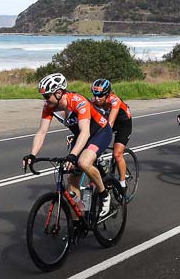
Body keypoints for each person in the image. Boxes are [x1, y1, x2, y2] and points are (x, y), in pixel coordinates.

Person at [23, 73, 113, 218]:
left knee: (83, 162)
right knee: (72, 180)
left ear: (58, 93)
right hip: (81, 136)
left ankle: (104, 195)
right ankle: (78, 219)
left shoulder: (78, 102)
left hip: (100, 132)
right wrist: (32, 155)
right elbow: (41, 132)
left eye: (47, 96)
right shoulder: (50, 106)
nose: (45, 100)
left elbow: (85, 132)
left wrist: (73, 155)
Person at [89, 78, 133, 193]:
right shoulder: (93, 101)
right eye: (95, 95)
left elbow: (110, 123)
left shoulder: (115, 100)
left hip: (123, 124)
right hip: (107, 122)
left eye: (100, 96)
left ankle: (122, 184)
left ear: (107, 94)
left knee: (117, 154)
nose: (97, 99)